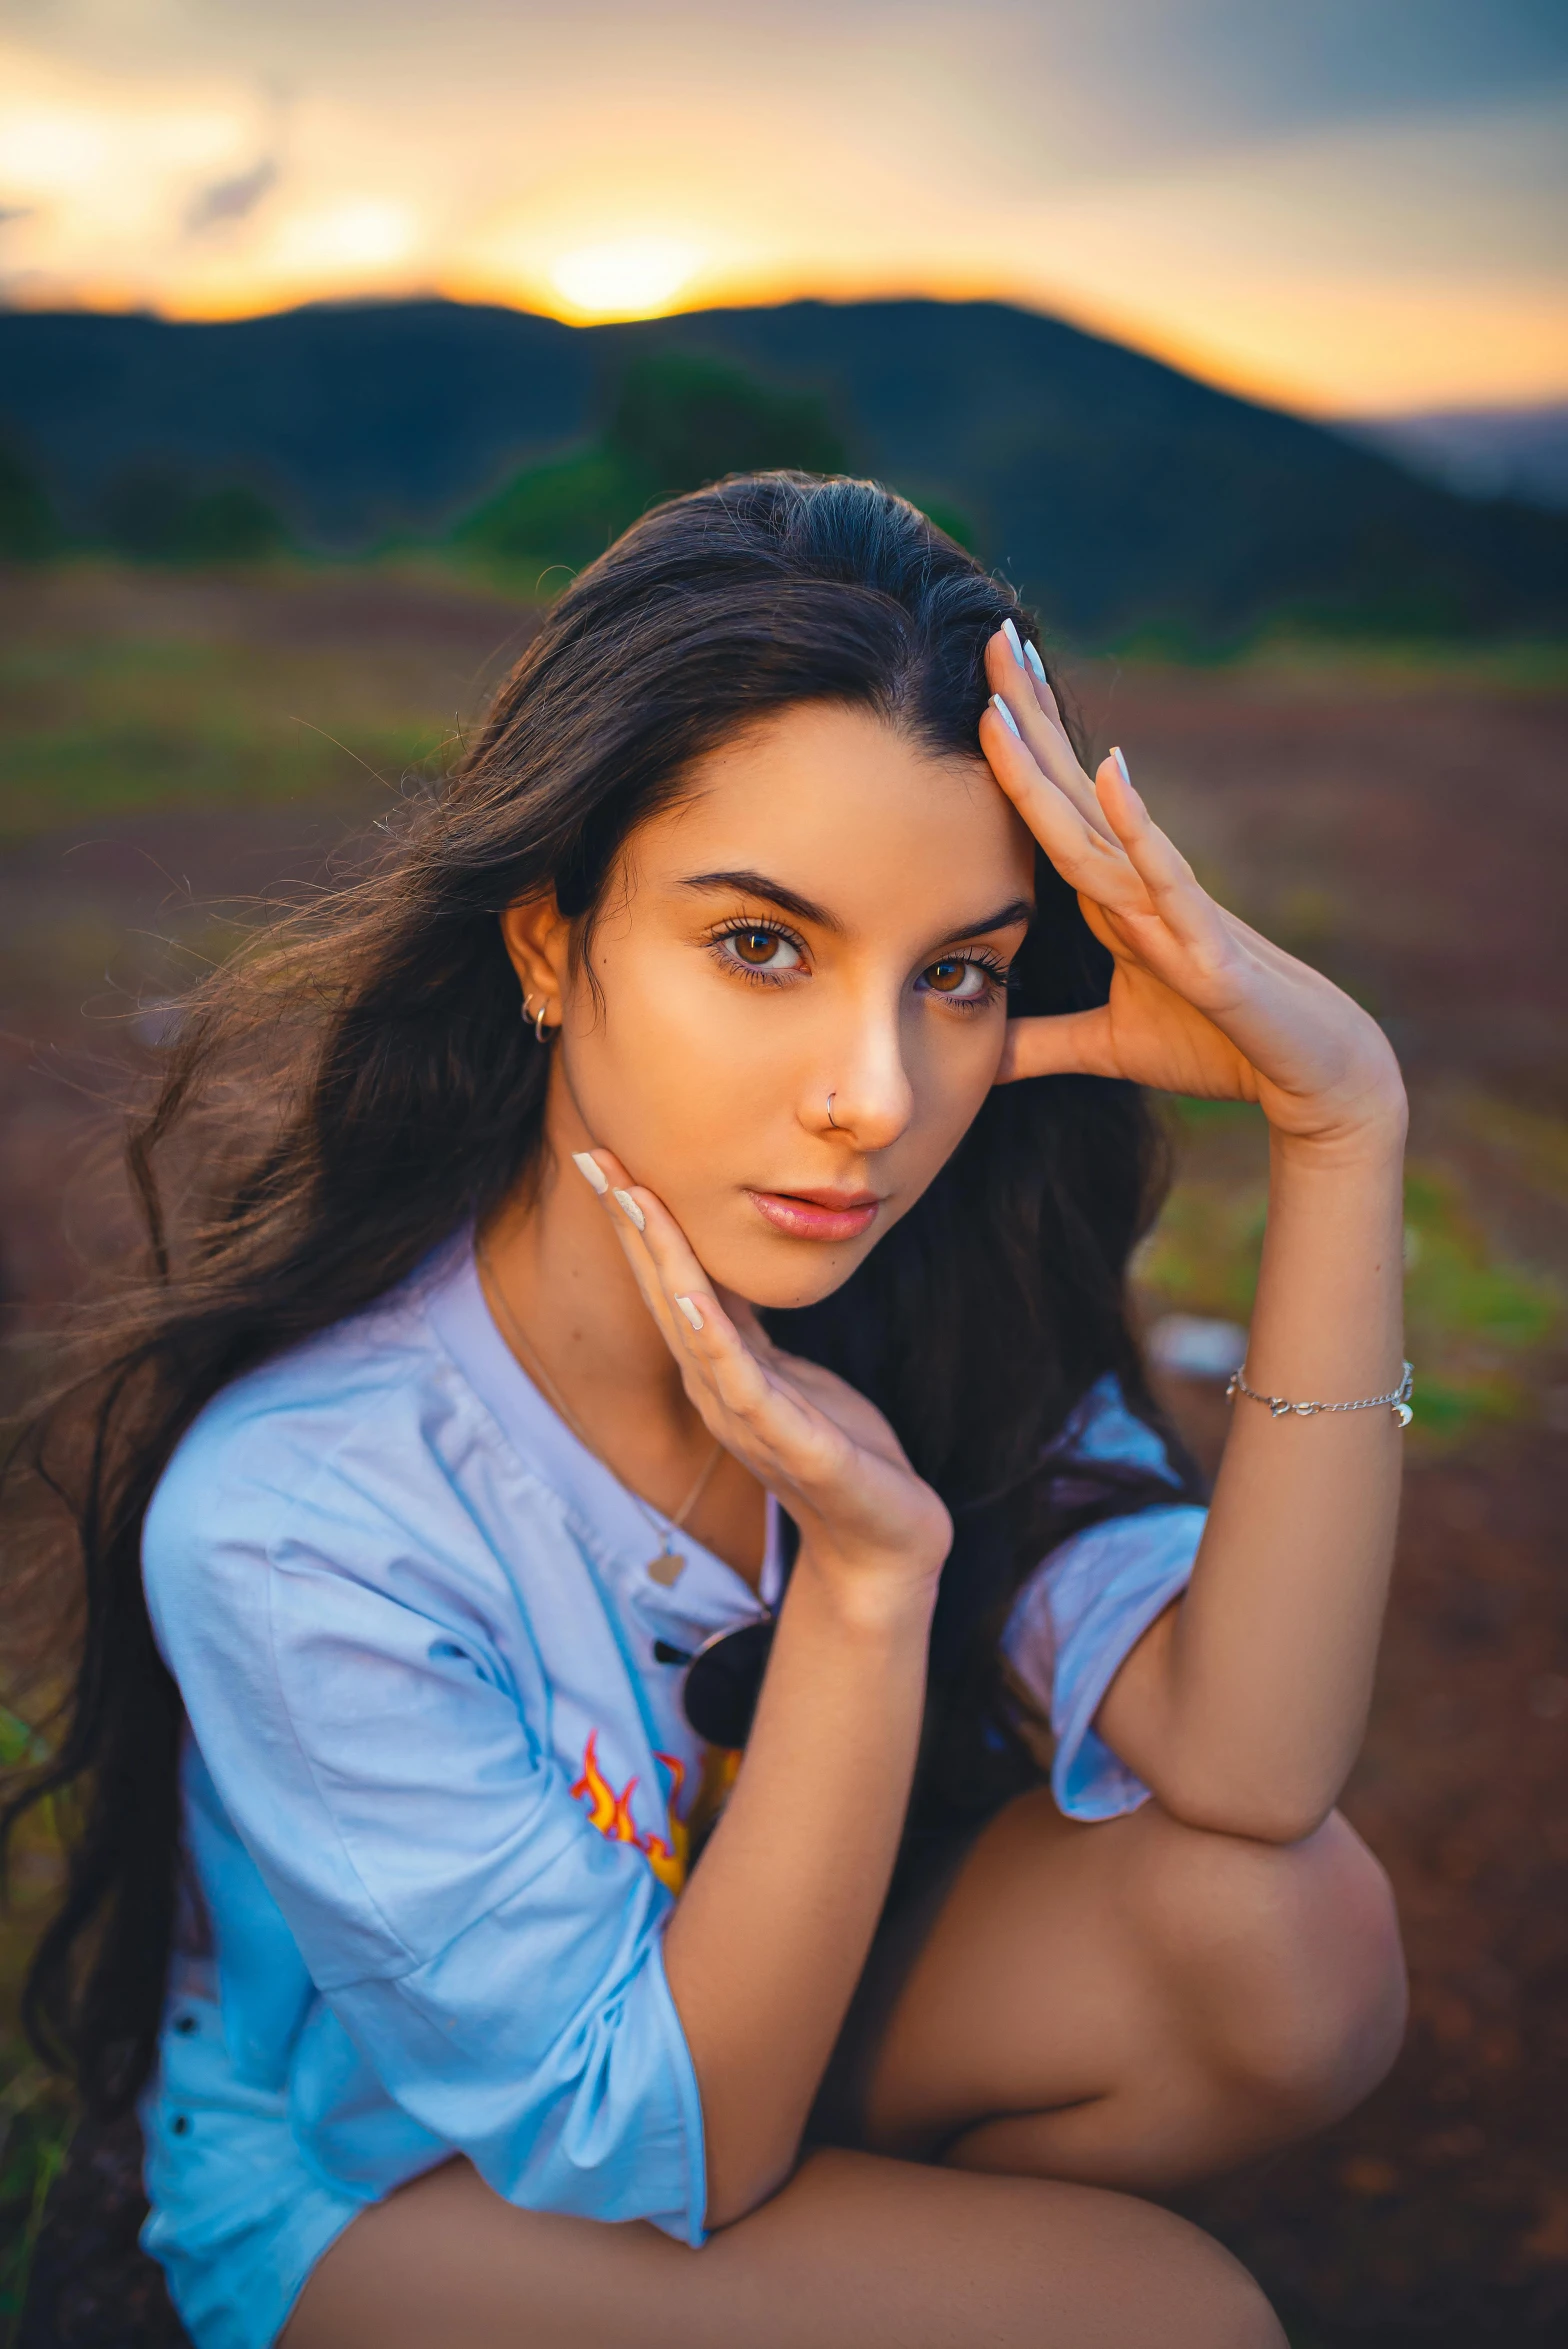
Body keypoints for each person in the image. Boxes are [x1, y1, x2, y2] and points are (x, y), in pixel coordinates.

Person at [3, 474, 1411, 2349]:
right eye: (763, 945)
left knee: (1288, 1942)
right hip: (408, 2181)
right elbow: (646, 2133)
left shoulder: (934, 1295)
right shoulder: (309, 1507)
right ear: (547, 939)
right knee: (1166, 2318)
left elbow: (1253, 1764)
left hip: (772, 2025)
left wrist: (1343, 1130)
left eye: (958, 978)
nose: (876, 1096)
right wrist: (862, 1583)